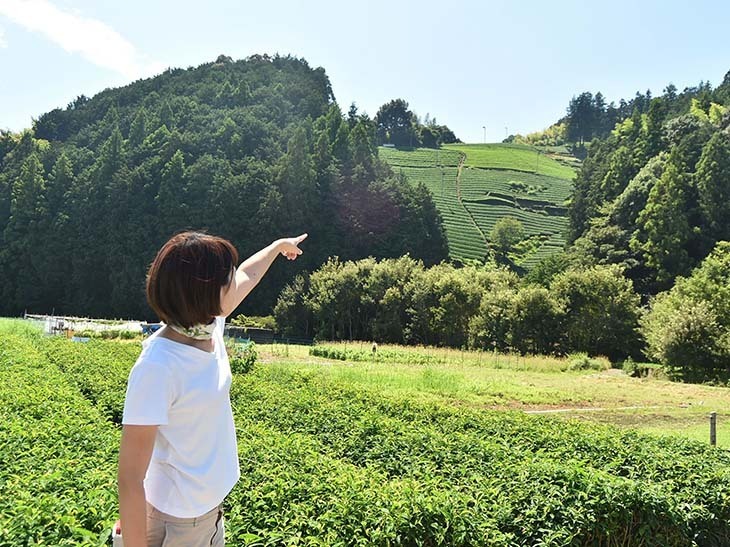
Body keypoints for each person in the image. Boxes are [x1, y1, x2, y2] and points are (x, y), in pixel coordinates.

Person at [117, 231, 307, 547]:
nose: (235, 282)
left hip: (207, 512)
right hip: (178, 523)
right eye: (227, 280)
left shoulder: (208, 326)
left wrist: (276, 248)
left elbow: (249, 273)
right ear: (202, 293)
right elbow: (130, 477)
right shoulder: (157, 367)